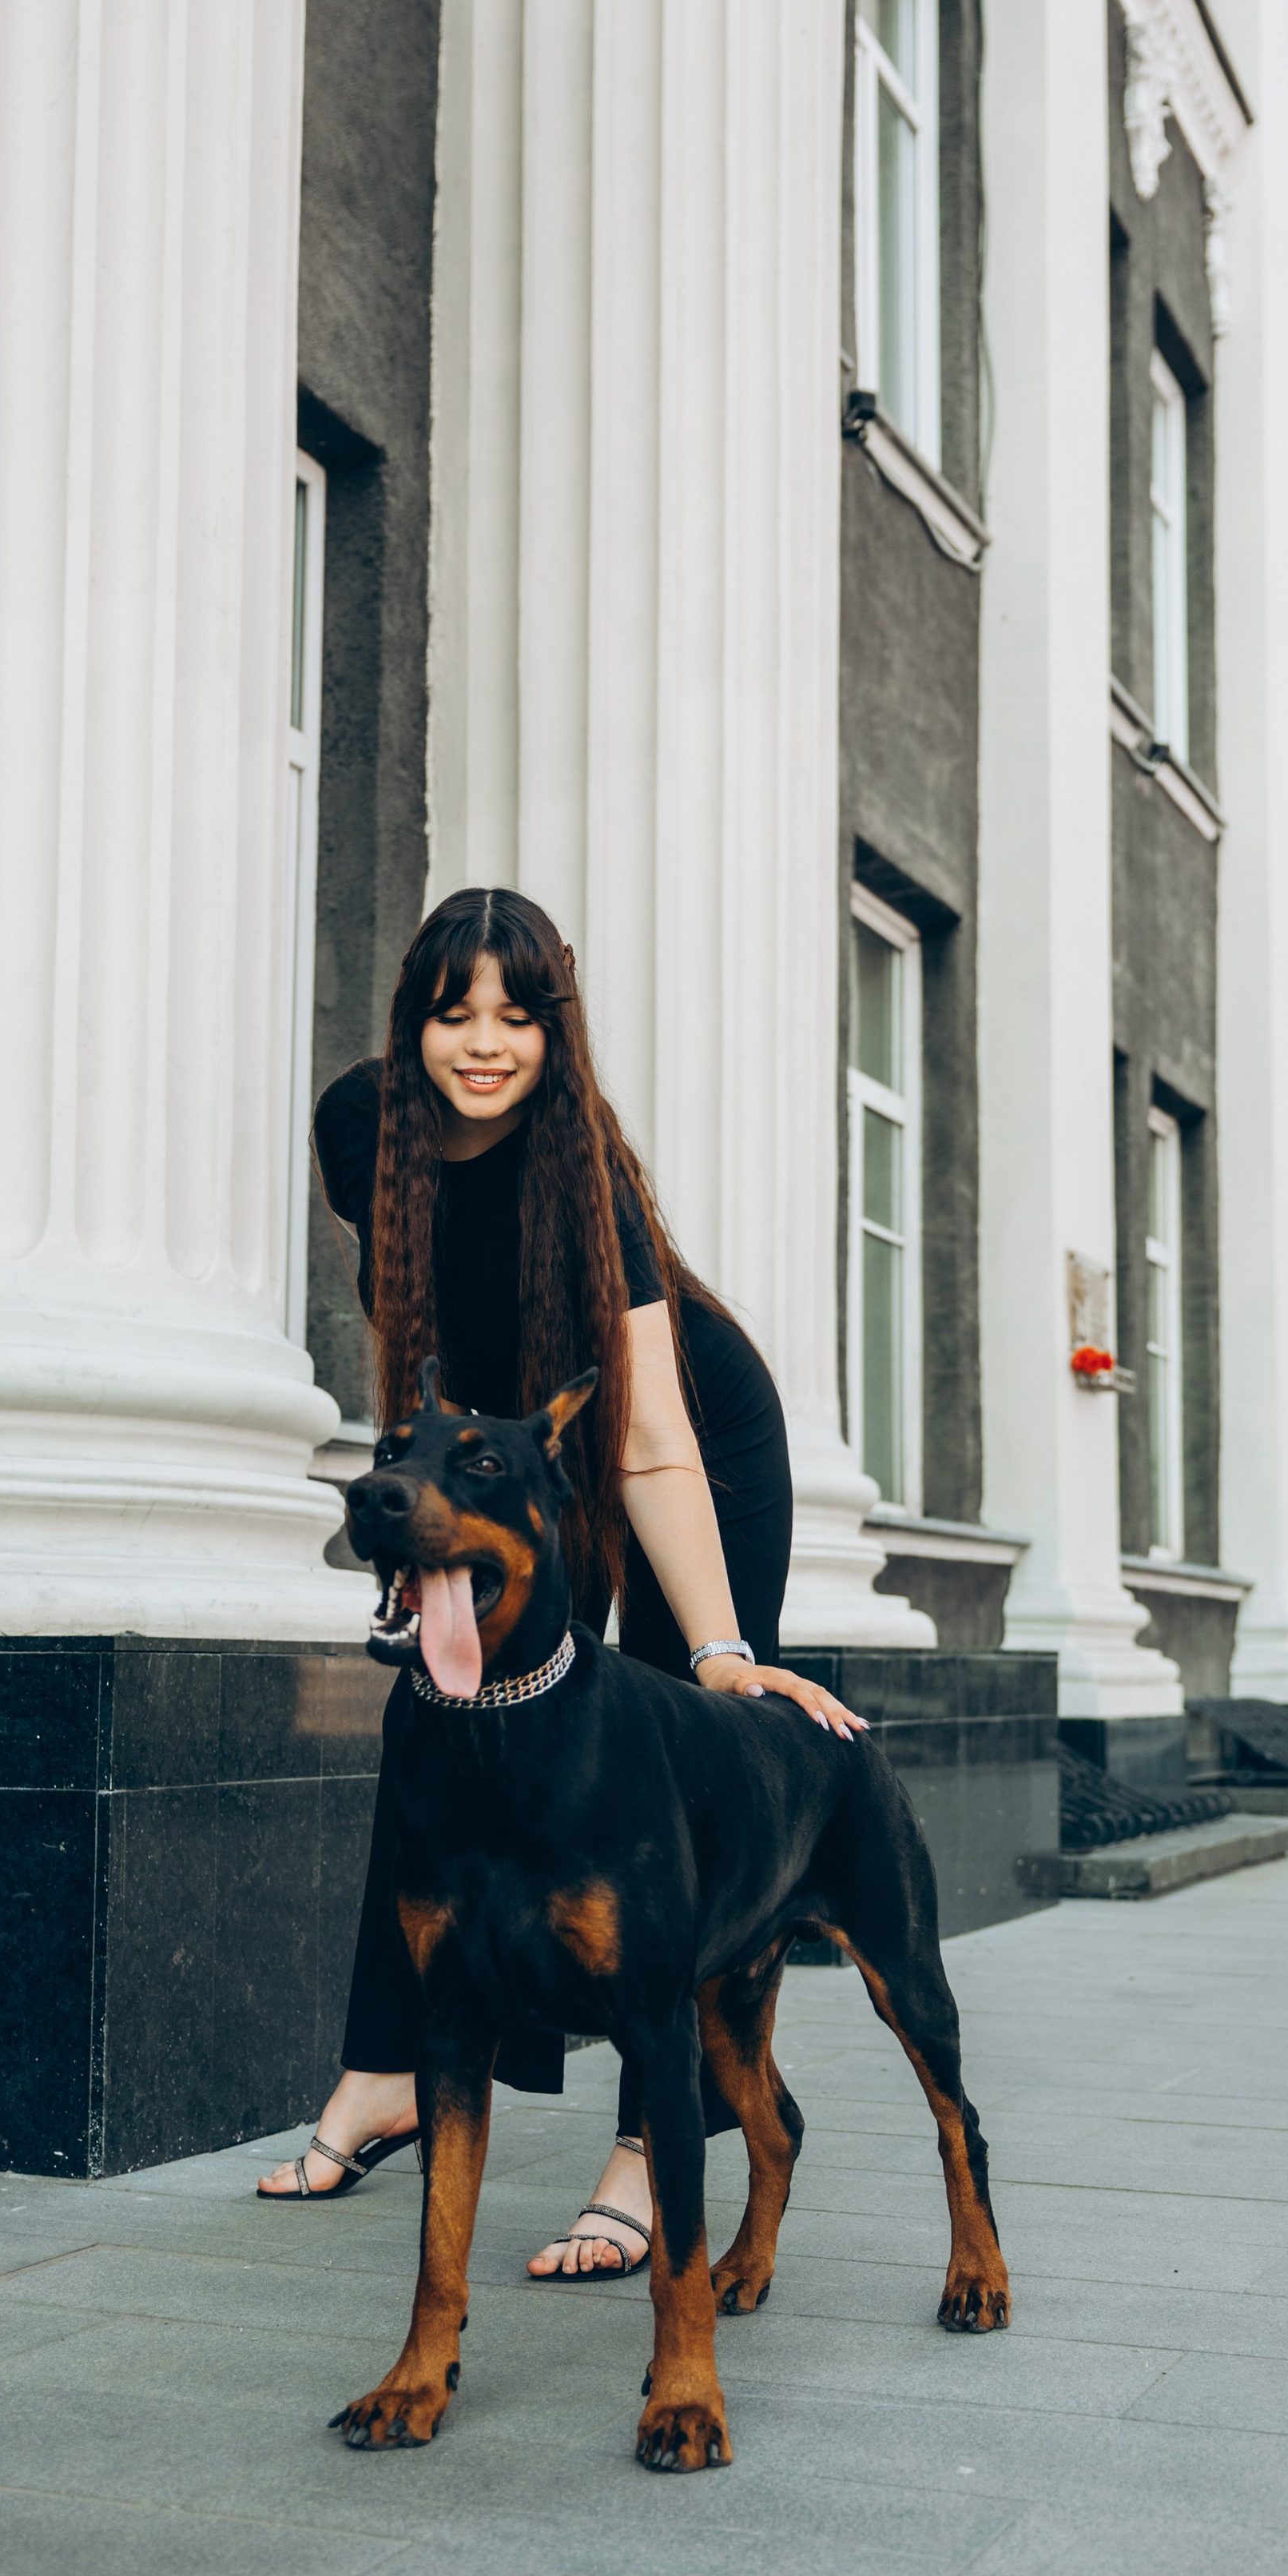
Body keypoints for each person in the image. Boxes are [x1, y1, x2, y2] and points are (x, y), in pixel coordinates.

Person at [257, 887, 865, 2275]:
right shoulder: (364, 1126)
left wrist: (717, 1655)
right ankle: (393, 2068)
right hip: (508, 1459)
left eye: (519, 1018)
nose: (486, 1044)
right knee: (437, 1721)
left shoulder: (577, 1163)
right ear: (414, 1016)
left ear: (555, 1030)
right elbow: (404, 1329)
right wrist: (422, 1520)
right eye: (456, 1012)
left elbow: (650, 1441)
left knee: (657, 1770)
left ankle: (658, 2143)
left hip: (688, 1435)